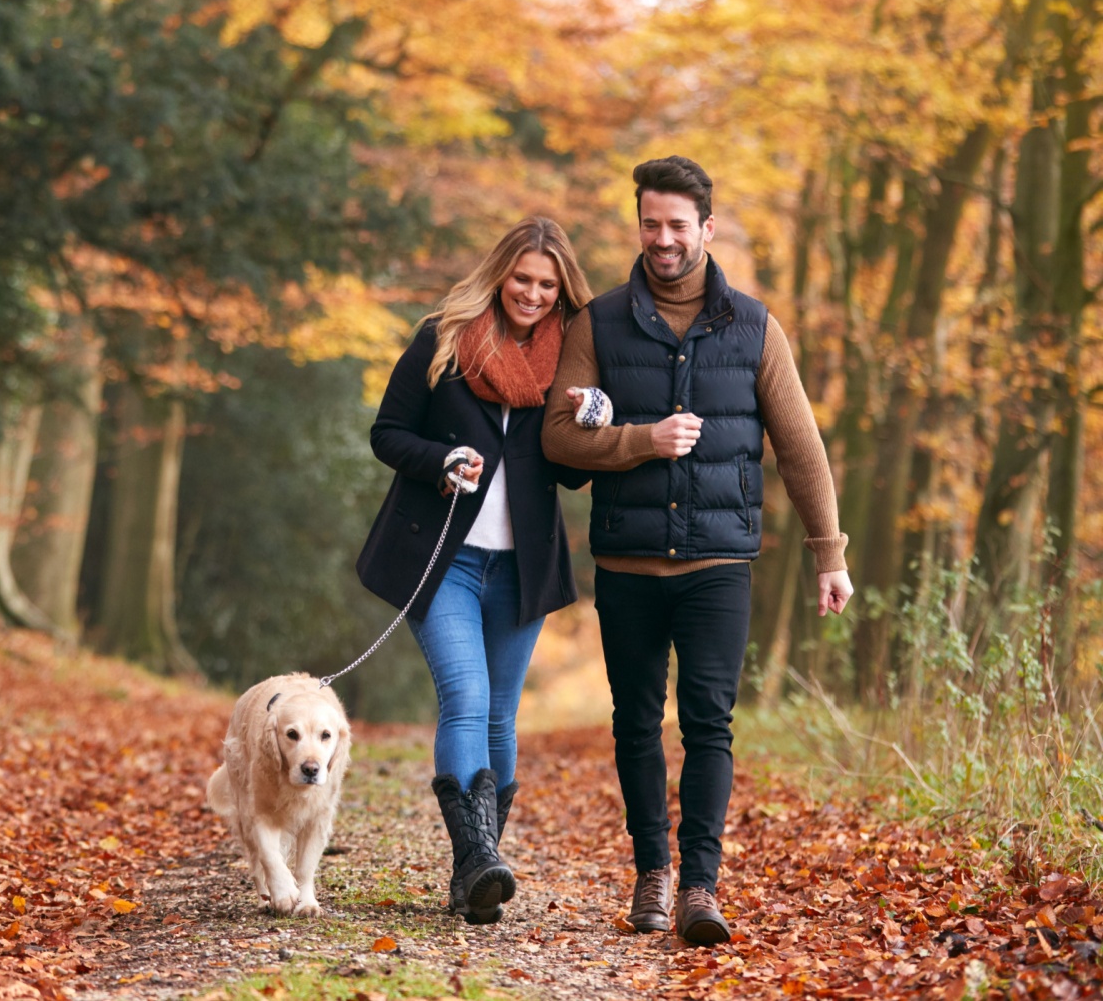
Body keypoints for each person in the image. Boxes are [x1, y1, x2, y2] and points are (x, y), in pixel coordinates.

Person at [541, 156, 855, 945]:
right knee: (636, 725)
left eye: (679, 226)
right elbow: (556, 438)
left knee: (709, 724)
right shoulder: (599, 324)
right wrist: (641, 441)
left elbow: (801, 448)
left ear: (707, 229)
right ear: (638, 225)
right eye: (651, 224)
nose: (664, 239)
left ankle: (701, 888)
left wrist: (830, 553)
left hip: (719, 565)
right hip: (627, 564)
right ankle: (653, 875)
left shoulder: (754, 327)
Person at [357, 216, 598, 925]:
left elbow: (575, 478)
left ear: (561, 293)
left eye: (546, 285)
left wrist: (588, 420)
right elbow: (387, 433)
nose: (531, 293)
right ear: (500, 275)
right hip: (444, 561)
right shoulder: (444, 338)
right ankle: (476, 862)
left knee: (500, 712)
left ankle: (478, 868)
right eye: (522, 278)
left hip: (521, 569)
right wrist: (440, 461)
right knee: (465, 695)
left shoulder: (570, 362)